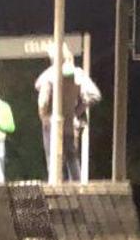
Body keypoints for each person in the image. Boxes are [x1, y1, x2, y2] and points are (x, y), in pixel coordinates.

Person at [35, 44, 101, 182]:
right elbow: (94, 95)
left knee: (53, 158)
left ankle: (56, 189)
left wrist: (44, 116)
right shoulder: (77, 74)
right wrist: (76, 111)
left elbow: (43, 101)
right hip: (71, 122)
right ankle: (77, 190)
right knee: (72, 157)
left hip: (52, 122)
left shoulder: (49, 75)